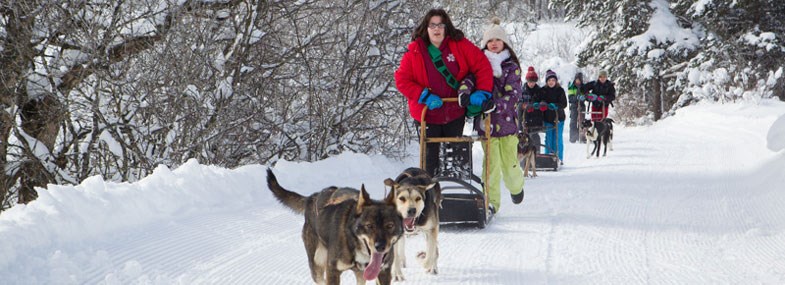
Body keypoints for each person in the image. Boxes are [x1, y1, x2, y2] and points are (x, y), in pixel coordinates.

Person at [394, 8, 494, 177]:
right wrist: (423, 96)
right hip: (427, 114)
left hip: (454, 111)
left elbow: (482, 65)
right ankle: (429, 197)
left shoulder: (460, 45)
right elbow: (402, 80)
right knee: (429, 162)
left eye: (440, 25)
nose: (436, 29)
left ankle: (453, 197)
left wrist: (482, 92)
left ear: (446, 27)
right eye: (432, 25)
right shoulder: (415, 51)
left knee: (454, 159)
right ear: (426, 28)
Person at [458, 18, 524, 212]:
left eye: (498, 40)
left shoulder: (511, 67)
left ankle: (516, 186)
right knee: (491, 167)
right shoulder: (479, 64)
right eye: (489, 40)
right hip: (486, 126)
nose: (493, 43)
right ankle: (491, 203)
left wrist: (495, 105)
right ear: (485, 44)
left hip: (507, 125)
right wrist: (464, 92)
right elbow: (469, 80)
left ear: (504, 43)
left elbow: (514, 95)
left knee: (509, 166)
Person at [533, 70, 567, 164]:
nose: (551, 82)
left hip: (558, 118)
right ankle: (548, 158)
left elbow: (564, 104)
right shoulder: (543, 90)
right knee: (549, 138)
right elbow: (536, 99)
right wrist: (537, 104)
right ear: (546, 81)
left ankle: (559, 158)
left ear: (556, 81)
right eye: (549, 80)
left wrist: (555, 105)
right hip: (547, 118)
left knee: (557, 138)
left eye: (553, 80)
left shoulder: (560, 90)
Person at [567, 72, 587, 143]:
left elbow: (586, 96)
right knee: (573, 121)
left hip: (581, 105)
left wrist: (584, 97)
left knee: (582, 121)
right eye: (576, 79)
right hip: (574, 106)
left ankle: (582, 137)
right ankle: (573, 137)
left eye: (579, 80)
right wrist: (576, 97)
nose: (578, 81)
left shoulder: (584, 87)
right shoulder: (571, 87)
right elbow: (570, 99)